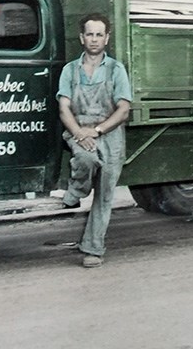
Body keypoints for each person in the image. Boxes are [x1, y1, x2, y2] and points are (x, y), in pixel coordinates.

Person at [57, 13, 132, 268]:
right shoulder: (70, 70)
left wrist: (97, 131)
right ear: (82, 38)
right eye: (90, 34)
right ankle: (77, 190)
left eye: (99, 34)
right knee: (86, 158)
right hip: (79, 131)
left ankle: (93, 249)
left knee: (105, 196)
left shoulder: (115, 69)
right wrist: (79, 132)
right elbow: (63, 108)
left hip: (109, 136)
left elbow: (123, 110)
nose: (94, 39)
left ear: (107, 38)